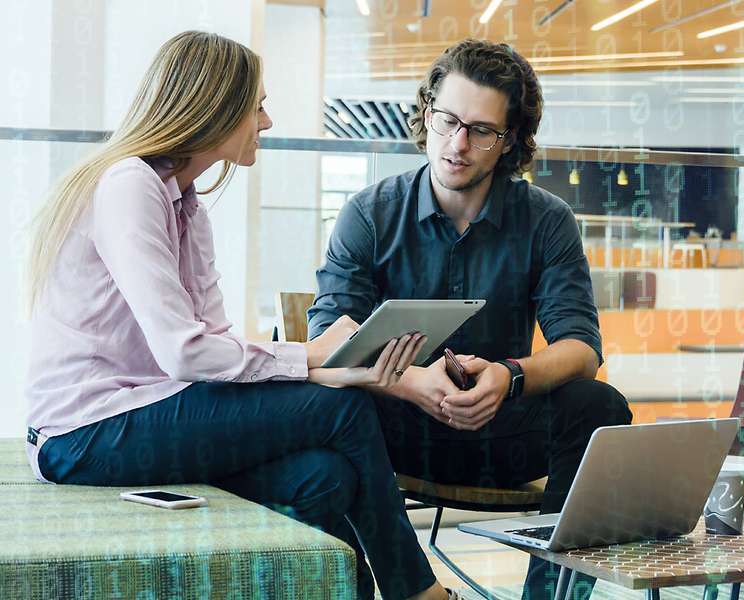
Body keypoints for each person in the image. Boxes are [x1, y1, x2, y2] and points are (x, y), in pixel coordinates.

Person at [25, 30, 463, 600]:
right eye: (257, 104)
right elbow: (183, 352)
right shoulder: (129, 184)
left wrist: (330, 369)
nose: (267, 120)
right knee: (344, 410)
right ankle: (418, 593)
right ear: (216, 106)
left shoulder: (187, 206)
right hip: (83, 433)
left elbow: (214, 343)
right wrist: (313, 357)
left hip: (147, 413)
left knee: (324, 478)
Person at [308, 39, 632, 599]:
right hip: (395, 431)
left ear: (509, 142)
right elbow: (329, 343)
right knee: (326, 408)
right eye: (448, 120)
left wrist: (510, 376)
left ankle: (549, 596)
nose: (457, 144)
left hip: (500, 430)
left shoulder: (546, 220)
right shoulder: (370, 214)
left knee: (601, 407)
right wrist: (412, 383)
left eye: (481, 130)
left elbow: (581, 348)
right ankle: (404, 589)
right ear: (427, 112)